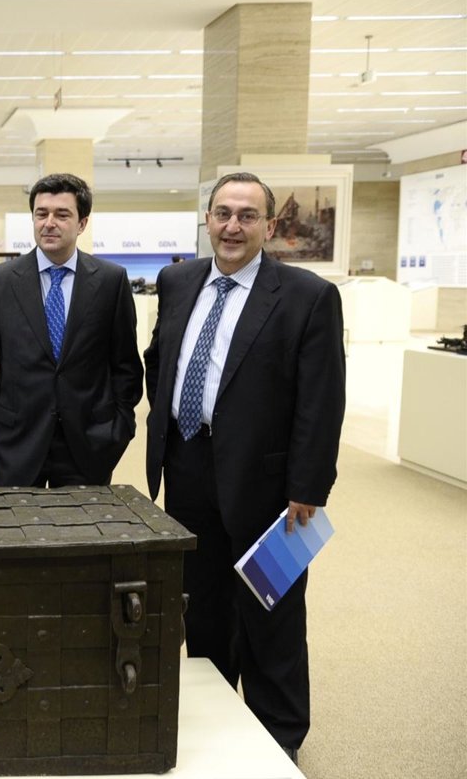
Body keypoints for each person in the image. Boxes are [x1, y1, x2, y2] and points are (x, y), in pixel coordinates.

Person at [144, 172, 345, 762]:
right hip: (187, 469)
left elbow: (321, 399)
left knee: (270, 614)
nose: (233, 226)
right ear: (207, 220)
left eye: (247, 216)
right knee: (203, 609)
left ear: (270, 226)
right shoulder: (177, 281)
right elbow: (161, 360)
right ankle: (218, 721)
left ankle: (280, 739)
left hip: (272, 487)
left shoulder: (307, 296)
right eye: (223, 214)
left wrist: (309, 485)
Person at [0, 173, 143, 488]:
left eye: (62, 214)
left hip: (87, 445)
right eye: (41, 214)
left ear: (82, 223)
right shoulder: (1, 282)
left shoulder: (110, 281)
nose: (49, 223)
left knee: (83, 522)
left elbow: (125, 365)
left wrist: (118, 429)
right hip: (15, 444)